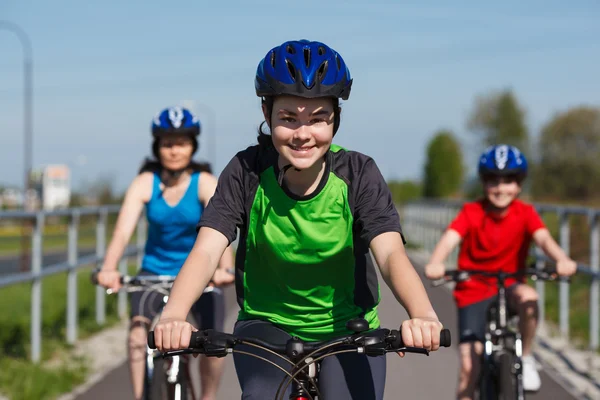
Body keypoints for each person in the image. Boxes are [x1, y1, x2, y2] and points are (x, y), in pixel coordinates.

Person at [151, 39, 445, 399]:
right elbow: (207, 249)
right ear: (267, 113)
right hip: (266, 325)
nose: (303, 133)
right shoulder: (246, 172)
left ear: (336, 117)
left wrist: (422, 313)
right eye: (288, 118)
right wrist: (174, 314)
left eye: (317, 119)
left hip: (346, 327)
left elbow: (390, 254)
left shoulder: (358, 174)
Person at [96, 106, 235, 400]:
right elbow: (122, 232)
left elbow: (222, 230)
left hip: (200, 276)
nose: (174, 150)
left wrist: (225, 267)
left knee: (212, 344)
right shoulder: (145, 183)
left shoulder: (205, 182)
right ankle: (140, 396)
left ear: (193, 147)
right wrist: (109, 267)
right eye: (167, 143)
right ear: (157, 146)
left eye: (182, 143)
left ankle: (207, 397)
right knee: (137, 338)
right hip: (152, 273)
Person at [424, 144, 577, 399]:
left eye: (508, 181)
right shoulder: (472, 212)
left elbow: (544, 240)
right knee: (469, 367)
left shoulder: (525, 213)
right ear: (483, 182)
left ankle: (526, 356)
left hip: (510, 284)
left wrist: (562, 259)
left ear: (519, 185)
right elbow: (450, 238)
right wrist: (436, 262)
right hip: (473, 288)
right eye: (493, 180)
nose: (500, 188)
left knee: (530, 299)